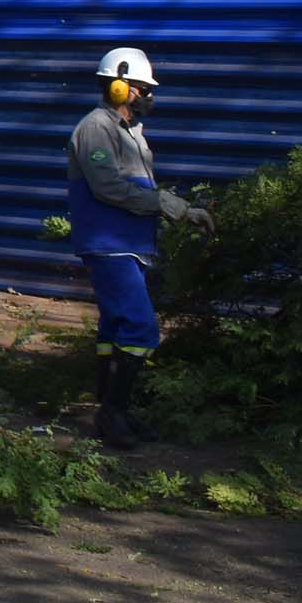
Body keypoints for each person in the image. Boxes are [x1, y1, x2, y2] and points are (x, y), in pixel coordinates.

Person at [69, 45, 211, 449]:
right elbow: (108, 187)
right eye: (143, 89)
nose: (149, 96)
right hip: (108, 243)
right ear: (119, 87)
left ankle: (114, 410)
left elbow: (137, 188)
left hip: (129, 242)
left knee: (115, 327)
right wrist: (166, 204)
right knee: (140, 327)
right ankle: (111, 413)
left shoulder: (130, 131)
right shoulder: (96, 128)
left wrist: (177, 209)